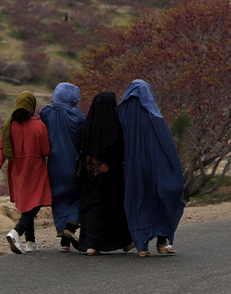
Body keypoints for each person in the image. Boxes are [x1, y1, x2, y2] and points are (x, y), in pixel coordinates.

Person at [117, 79, 185, 257]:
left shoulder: (121, 112)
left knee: (137, 202)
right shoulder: (154, 115)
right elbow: (167, 146)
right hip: (155, 167)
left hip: (131, 168)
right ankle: (162, 241)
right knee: (159, 200)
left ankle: (141, 246)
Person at [0, 90, 52, 253]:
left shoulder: (7, 127)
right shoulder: (39, 126)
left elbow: (1, 152)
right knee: (35, 203)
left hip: (17, 170)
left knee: (26, 204)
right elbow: (46, 151)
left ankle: (30, 242)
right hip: (35, 169)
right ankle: (16, 232)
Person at [75, 90, 134, 255]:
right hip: (112, 177)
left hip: (90, 174)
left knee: (92, 206)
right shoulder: (117, 128)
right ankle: (122, 241)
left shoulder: (86, 126)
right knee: (113, 208)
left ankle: (91, 244)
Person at [40, 82, 86, 251]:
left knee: (59, 199)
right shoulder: (79, 117)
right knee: (78, 196)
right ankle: (71, 226)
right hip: (73, 165)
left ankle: (64, 242)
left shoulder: (47, 113)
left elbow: (45, 108)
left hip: (54, 166)